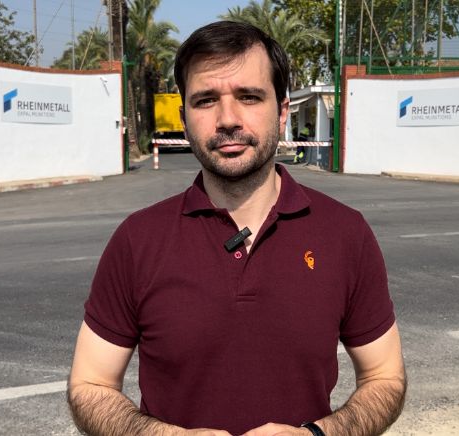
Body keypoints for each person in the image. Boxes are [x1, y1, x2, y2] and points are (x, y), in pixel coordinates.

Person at [67, 21, 406, 436]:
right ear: (184, 118)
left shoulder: (345, 233)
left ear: (282, 111)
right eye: (206, 100)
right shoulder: (138, 240)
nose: (227, 119)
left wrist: (318, 435)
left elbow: (385, 378)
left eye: (249, 96)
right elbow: (90, 385)